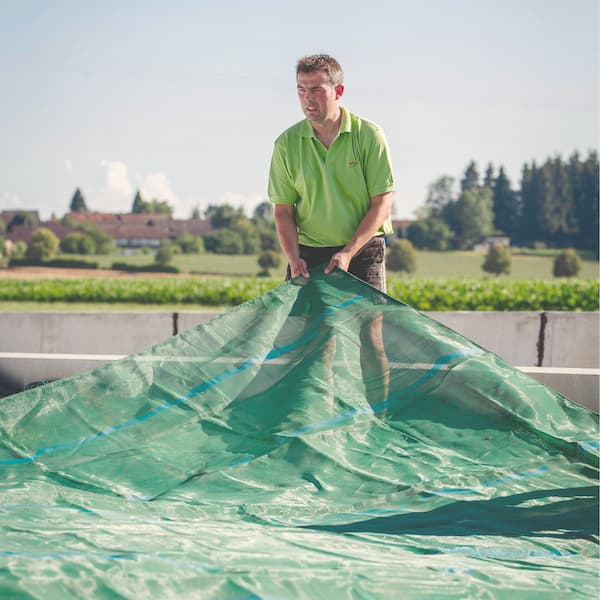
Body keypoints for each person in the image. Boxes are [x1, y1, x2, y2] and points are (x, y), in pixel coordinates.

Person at [268, 53, 395, 292]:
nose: (308, 98)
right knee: (306, 329)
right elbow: (283, 210)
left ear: (338, 91)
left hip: (363, 250)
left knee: (369, 328)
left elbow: (382, 204)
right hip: (309, 255)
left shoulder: (369, 135)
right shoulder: (286, 144)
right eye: (301, 90)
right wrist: (294, 259)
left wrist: (348, 253)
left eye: (316, 90)